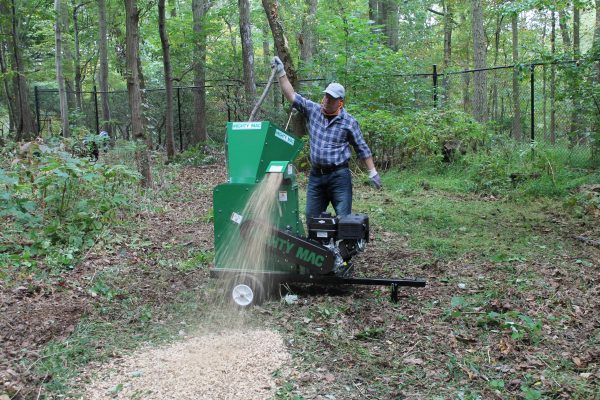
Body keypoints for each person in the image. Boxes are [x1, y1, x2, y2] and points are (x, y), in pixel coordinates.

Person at [271, 56, 381, 219]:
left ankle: (341, 245)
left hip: (339, 176)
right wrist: (281, 72)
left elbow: (362, 148)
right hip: (316, 176)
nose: (326, 100)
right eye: (326, 96)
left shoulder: (349, 122)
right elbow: (292, 95)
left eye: (331, 98)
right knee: (311, 217)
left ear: (340, 102)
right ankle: (321, 244)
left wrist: (372, 172)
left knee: (344, 219)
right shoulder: (313, 110)